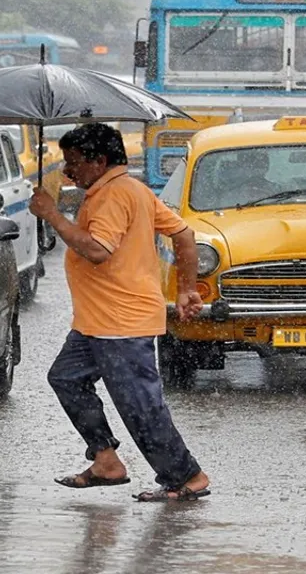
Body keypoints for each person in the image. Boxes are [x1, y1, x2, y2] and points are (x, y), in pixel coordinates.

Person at [28, 122, 211, 503]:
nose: (67, 171)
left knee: (139, 404)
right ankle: (106, 461)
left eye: (74, 162)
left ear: (99, 161)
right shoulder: (130, 189)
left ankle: (186, 476)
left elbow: (97, 250)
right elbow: (184, 235)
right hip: (96, 323)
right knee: (66, 379)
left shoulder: (114, 195)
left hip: (121, 323)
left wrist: (53, 216)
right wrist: (186, 288)